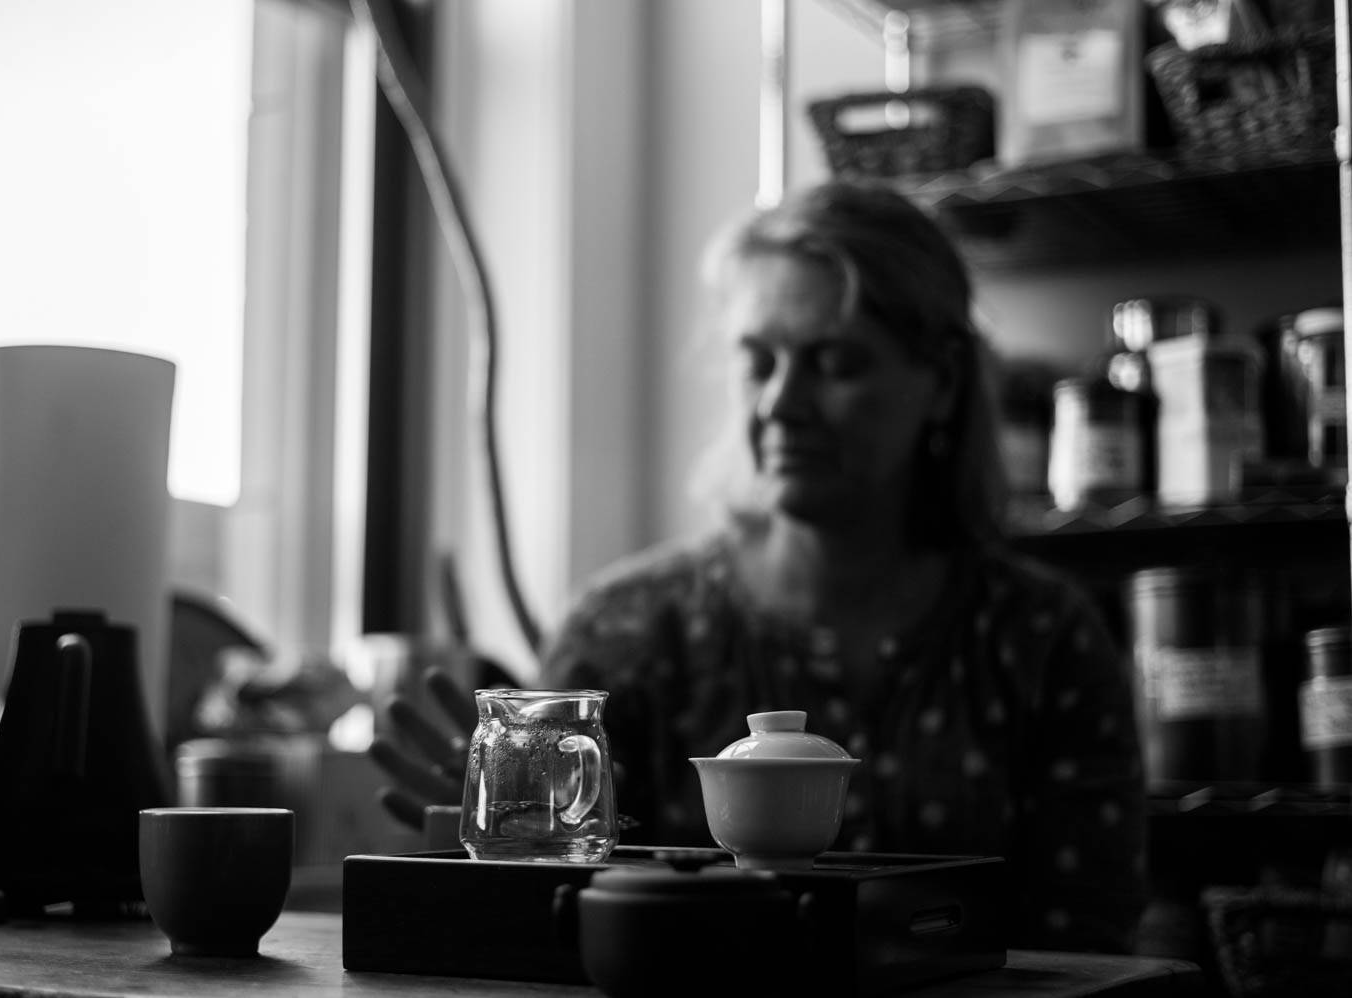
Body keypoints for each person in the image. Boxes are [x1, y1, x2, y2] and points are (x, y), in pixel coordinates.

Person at [371, 179, 1147, 955]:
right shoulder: (625, 632)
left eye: (835, 363)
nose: (781, 402)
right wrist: (510, 847)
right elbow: (561, 930)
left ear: (941, 382)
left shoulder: (1044, 640)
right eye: (760, 361)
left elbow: (1083, 939)